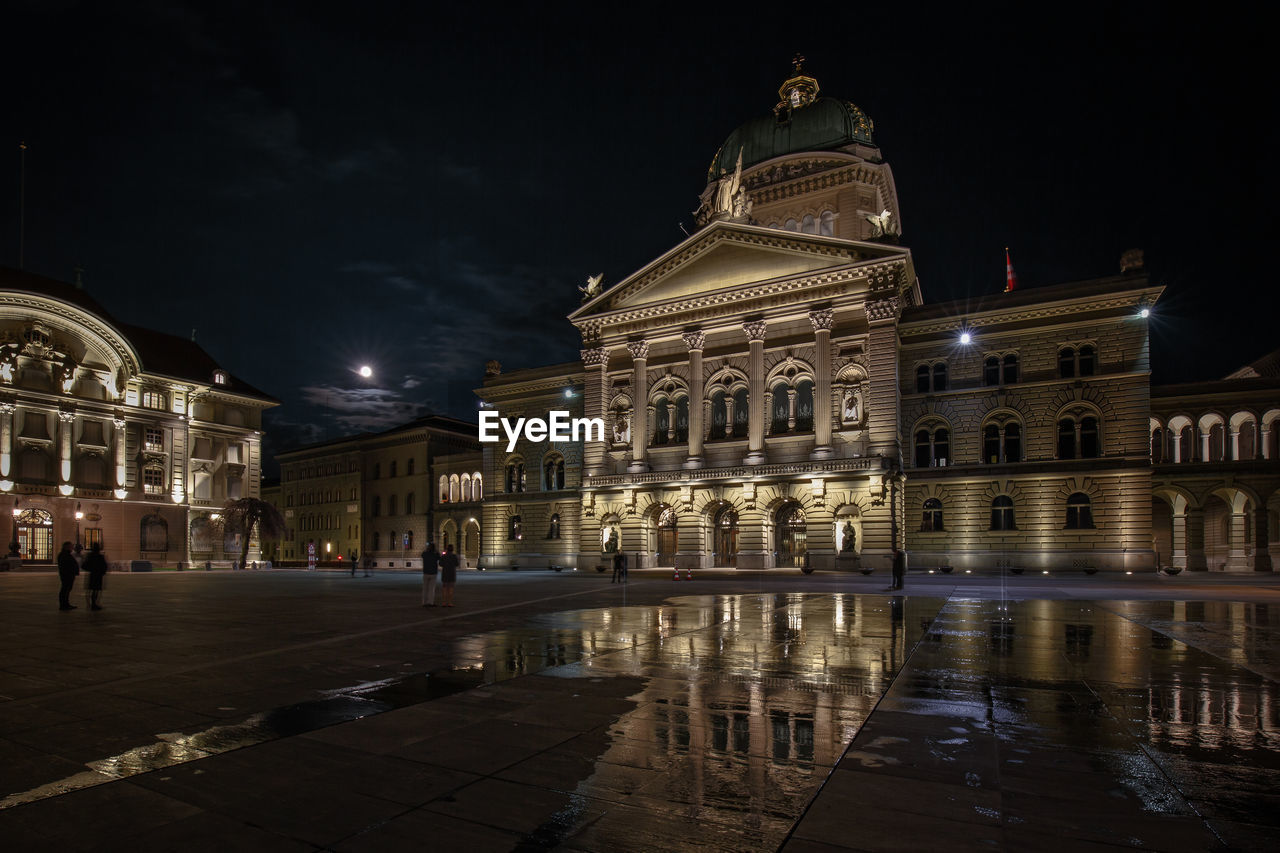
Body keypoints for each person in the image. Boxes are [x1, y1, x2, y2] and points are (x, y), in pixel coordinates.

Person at [84, 542, 109, 611]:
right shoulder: (100, 556)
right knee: (96, 590)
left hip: (92, 575)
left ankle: (91, 604)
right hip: (98, 576)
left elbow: (85, 565)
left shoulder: (90, 556)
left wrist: (91, 569)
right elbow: (104, 566)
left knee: (92, 590)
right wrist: (102, 572)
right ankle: (94, 604)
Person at [57, 541, 79, 610]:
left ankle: (65, 604)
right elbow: (66, 565)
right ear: (66, 547)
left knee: (67, 589)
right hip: (67, 575)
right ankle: (64, 605)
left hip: (68, 575)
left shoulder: (66, 554)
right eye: (71, 546)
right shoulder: (64, 555)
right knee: (65, 590)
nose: (72, 548)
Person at [439, 543, 459, 607]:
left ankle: (444, 602)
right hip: (452, 573)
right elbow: (457, 564)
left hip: (445, 572)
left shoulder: (444, 556)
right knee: (451, 588)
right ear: (452, 549)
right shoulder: (454, 556)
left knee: (444, 587)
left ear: (447, 549)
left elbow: (440, 564)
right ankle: (450, 602)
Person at [421, 542, 440, 607]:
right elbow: (439, 557)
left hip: (426, 572)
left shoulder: (425, 554)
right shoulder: (435, 554)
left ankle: (424, 602)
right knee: (431, 589)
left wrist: (426, 549)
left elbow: (422, 554)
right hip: (433, 573)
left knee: (425, 588)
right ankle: (430, 602)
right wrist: (436, 551)